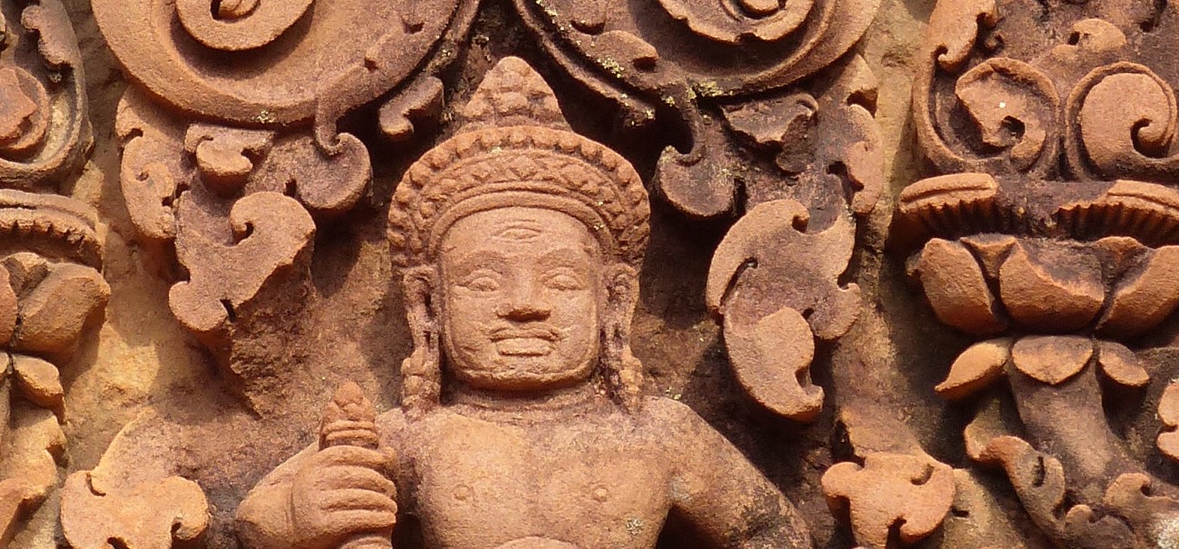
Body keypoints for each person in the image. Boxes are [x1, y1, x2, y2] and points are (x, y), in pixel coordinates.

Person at [235, 57, 807, 549]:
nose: (525, 305)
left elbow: (772, 531)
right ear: (428, 305)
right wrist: (301, 515)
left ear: (614, 300)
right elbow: (254, 522)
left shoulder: (659, 435)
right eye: (484, 282)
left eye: (561, 281)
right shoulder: (415, 438)